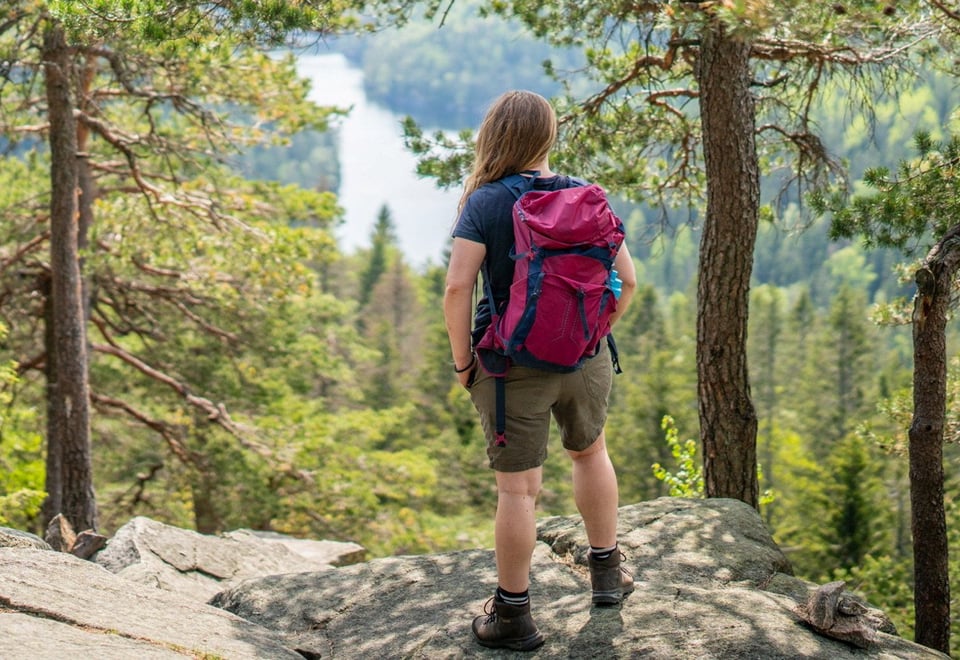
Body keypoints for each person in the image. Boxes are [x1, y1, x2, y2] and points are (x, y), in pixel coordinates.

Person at [443, 90, 637, 652]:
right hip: (585, 357)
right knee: (591, 453)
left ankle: (514, 616)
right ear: (548, 136)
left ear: (494, 136)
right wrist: (593, 335)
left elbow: (458, 288)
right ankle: (607, 576)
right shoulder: (584, 195)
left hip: (510, 366)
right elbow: (627, 280)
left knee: (519, 491)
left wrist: (463, 362)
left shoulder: (484, 202)